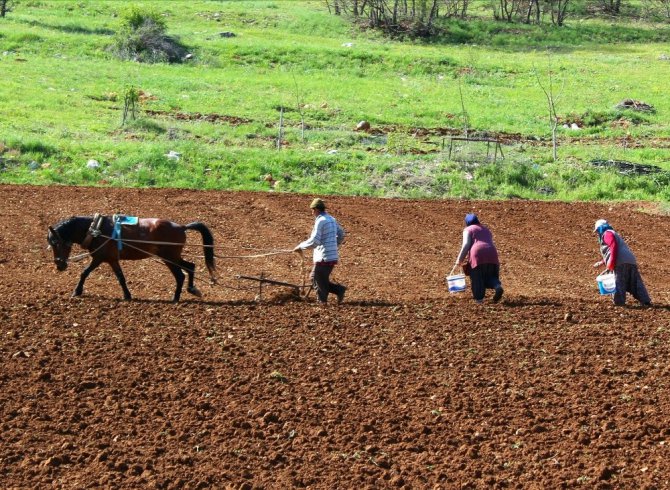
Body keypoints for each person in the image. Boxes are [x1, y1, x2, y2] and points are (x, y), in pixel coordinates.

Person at [294, 198, 347, 305]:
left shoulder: (320, 221)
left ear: (316, 209)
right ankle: (338, 290)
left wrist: (300, 246)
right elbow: (341, 234)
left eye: (312, 210)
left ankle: (322, 302)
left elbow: (314, 241)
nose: (312, 212)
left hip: (324, 256)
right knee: (314, 277)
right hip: (331, 255)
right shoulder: (331, 219)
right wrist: (333, 244)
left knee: (319, 280)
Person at [593, 219, 651, 306]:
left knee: (618, 282)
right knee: (635, 281)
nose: (598, 233)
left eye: (597, 230)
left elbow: (613, 247)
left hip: (619, 261)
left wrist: (611, 263)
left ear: (600, 228)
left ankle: (619, 303)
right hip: (630, 260)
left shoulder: (607, 234)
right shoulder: (613, 233)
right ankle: (645, 300)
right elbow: (614, 250)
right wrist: (602, 262)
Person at [453, 213, 503, 304]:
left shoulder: (468, 229)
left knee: (477, 277)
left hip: (478, 254)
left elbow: (466, 245)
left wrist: (459, 260)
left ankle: (479, 300)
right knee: (490, 275)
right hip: (492, 253)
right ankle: (497, 286)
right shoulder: (486, 229)